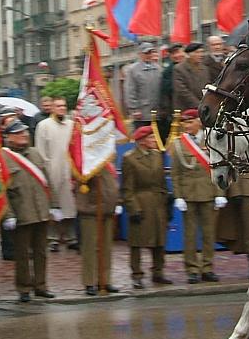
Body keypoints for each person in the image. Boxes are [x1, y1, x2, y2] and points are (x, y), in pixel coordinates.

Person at [1, 120, 56, 302]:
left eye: (25, 133)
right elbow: (3, 191)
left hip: (40, 211)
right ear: (9, 137)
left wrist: (54, 205)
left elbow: (47, 181)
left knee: (41, 252)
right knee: (22, 254)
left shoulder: (35, 153)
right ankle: (24, 288)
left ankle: (41, 285)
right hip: (21, 213)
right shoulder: (3, 157)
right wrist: (8, 215)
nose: (24, 136)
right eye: (19, 134)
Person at [170, 109, 227, 284]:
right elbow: (176, 174)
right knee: (190, 235)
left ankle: (207, 268)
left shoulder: (212, 140)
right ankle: (192, 269)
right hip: (189, 195)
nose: (187, 126)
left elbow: (220, 166)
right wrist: (178, 196)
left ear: (199, 122)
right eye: (184, 123)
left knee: (209, 235)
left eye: (190, 122)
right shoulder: (179, 144)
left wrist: (220, 193)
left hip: (209, 193)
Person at [121, 125, 172, 289]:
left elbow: (162, 181)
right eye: (150, 138)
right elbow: (127, 188)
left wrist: (167, 201)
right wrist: (133, 208)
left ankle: (158, 272)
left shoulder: (157, 156)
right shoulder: (130, 158)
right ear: (141, 141)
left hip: (158, 204)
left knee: (159, 241)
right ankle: (136, 274)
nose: (153, 141)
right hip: (141, 203)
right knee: (137, 242)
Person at [34, 97, 76, 252]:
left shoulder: (72, 125)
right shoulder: (43, 126)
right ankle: (52, 238)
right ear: (52, 108)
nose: (62, 108)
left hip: (69, 170)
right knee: (53, 205)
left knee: (70, 204)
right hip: (51, 170)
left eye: (64, 106)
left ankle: (72, 237)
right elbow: (40, 150)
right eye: (58, 106)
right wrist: (45, 170)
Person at [77, 165, 121, 295]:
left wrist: (116, 202)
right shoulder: (88, 162)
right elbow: (81, 183)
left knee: (106, 247)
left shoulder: (108, 165)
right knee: (90, 248)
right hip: (91, 209)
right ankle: (89, 282)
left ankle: (105, 280)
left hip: (107, 210)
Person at [123, 42, 162, 131]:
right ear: (140, 54)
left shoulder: (158, 68)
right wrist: (134, 109)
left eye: (150, 52)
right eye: (146, 53)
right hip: (142, 114)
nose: (149, 55)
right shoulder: (133, 70)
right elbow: (130, 91)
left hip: (157, 113)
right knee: (143, 137)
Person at [173, 42, 211, 112]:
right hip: (185, 109)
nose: (200, 55)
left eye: (202, 52)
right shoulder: (179, 68)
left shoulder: (205, 69)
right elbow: (182, 91)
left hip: (202, 108)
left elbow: (207, 87)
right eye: (197, 52)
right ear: (189, 55)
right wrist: (198, 104)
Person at [159, 43, 185, 141]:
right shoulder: (168, 71)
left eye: (178, 52)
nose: (177, 56)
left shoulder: (191, 66)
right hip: (176, 110)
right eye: (174, 54)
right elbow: (165, 92)